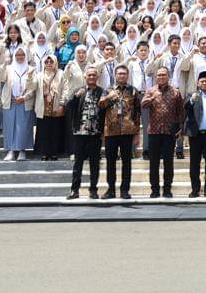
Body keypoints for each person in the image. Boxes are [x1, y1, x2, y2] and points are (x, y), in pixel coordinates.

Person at [140, 66, 184, 198]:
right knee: (153, 163)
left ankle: (167, 188)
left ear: (168, 77)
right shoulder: (151, 90)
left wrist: (181, 128)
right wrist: (150, 99)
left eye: (163, 75)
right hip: (154, 131)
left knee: (168, 162)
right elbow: (143, 104)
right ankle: (154, 189)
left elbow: (180, 112)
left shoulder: (175, 92)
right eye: (158, 75)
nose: (161, 77)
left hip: (169, 132)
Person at [100, 64, 141, 199]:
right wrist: (108, 97)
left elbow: (137, 113)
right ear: (115, 75)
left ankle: (125, 190)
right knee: (110, 162)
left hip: (128, 132)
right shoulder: (108, 90)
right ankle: (111, 189)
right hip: (111, 131)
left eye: (124, 73)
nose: (122, 76)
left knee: (126, 162)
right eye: (119, 74)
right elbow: (100, 105)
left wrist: (137, 133)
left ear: (127, 75)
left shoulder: (133, 91)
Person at [66, 67, 104, 200]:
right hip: (80, 133)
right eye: (89, 75)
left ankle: (93, 190)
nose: (92, 77)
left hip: (95, 133)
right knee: (78, 163)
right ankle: (74, 190)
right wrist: (76, 97)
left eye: (94, 75)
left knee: (95, 163)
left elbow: (105, 111)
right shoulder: (79, 91)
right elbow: (69, 106)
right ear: (85, 77)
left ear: (97, 77)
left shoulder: (102, 92)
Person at [1, 46, 37, 161]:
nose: (20, 57)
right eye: (17, 55)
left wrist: (24, 97)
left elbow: (33, 87)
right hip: (11, 101)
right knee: (10, 126)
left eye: (22, 55)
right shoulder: (8, 68)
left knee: (23, 127)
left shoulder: (31, 68)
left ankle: (22, 150)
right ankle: (11, 150)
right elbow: (0, 78)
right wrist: (3, 65)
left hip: (24, 101)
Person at [34, 55, 67, 160]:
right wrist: (30, 77)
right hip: (43, 106)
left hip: (56, 105)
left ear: (55, 62)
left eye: (51, 62)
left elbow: (65, 89)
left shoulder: (61, 74)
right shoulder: (39, 75)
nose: (48, 64)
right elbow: (32, 87)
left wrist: (62, 103)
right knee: (44, 131)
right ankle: (44, 152)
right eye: (46, 62)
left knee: (55, 130)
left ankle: (54, 152)